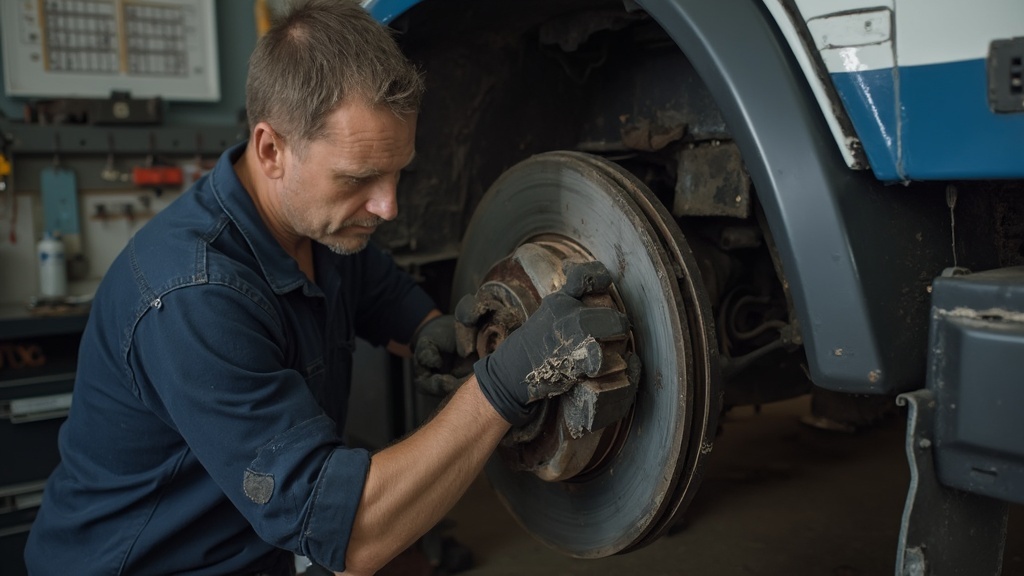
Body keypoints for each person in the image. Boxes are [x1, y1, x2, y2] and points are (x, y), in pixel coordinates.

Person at [24, 1, 627, 575]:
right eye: (360, 178)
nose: (388, 206)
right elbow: (354, 534)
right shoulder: (194, 297)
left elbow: (378, 290)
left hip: (250, 552)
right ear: (272, 150)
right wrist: (504, 385)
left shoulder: (318, 226)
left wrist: (434, 331)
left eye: (398, 173)